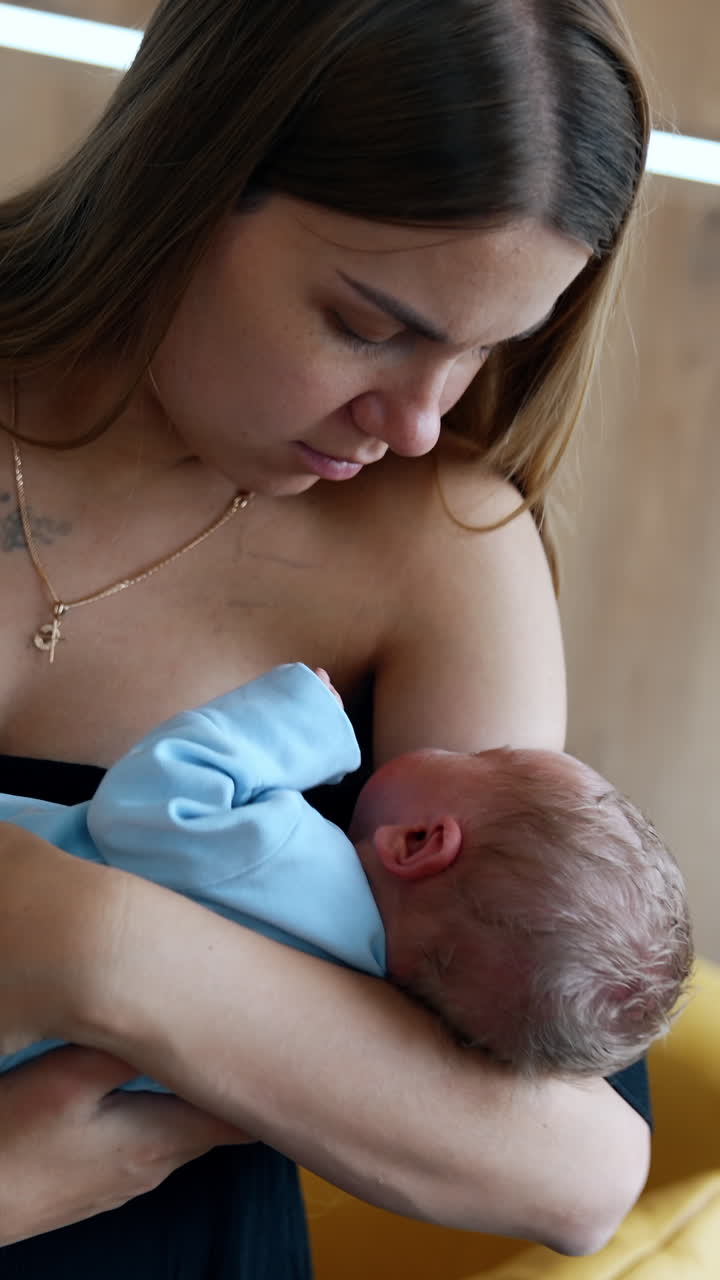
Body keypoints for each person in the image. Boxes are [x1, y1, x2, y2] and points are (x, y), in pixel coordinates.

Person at [0, 0, 655, 1272]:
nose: (416, 422)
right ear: (184, 177)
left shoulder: (442, 544)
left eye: (482, 353)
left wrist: (96, 945)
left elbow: (574, 1164)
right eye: (369, 321)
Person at [0, 661, 692, 1088]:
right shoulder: (336, 1015)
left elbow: (145, 803)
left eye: (479, 754)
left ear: (419, 843)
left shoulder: (283, 859)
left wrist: (300, 724)